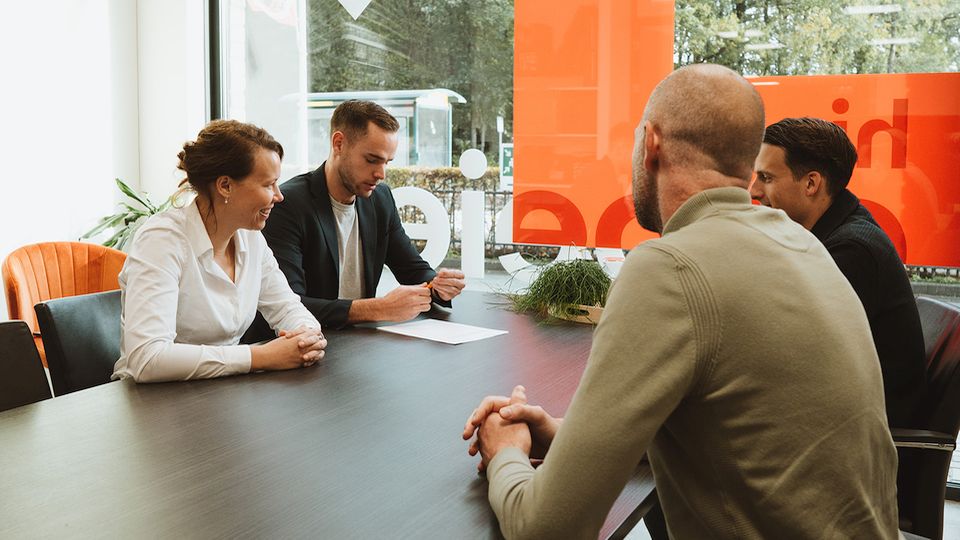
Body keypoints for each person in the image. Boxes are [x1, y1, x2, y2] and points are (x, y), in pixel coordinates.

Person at [462, 65, 899, 539]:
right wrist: (557, 432)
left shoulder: (669, 267)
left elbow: (545, 529)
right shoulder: (804, 245)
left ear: (651, 144)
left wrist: (504, 450)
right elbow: (735, 429)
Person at [113, 120, 326, 383]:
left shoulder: (251, 239)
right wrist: (261, 357)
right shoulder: (161, 241)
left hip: (220, 392)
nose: (278, 195)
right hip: (150, 403)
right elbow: (148, 359)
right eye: (268, 184)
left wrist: (306, 336)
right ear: (225, 185)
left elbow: (287, 308)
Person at [751, 117, 925, 429]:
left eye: (766, 177)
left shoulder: (852, 251)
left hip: (862, 436)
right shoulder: (831, 233)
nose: (754, 190)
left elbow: (798, 359)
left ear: (810, 184)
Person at [253, 100, 465, 332]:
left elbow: (412, 269)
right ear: (339, 143)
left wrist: (439, 285)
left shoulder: (380, 199)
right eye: (372, 160)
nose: (381, 174)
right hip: (304, 345)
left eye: (387, 162)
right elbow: (287, 305)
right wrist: (377, 309)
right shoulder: (288, 204)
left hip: (360, 344)